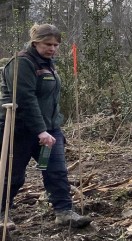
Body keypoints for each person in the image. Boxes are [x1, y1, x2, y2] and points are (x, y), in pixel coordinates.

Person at [0, 24, 92, 229]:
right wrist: (40, 130)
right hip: (19, 129)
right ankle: (2, 215)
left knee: (57, 172)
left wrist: (53, 125)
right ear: (35, 42)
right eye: (47, 44)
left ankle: (64, 212)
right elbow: (26, 99)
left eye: (56, 45)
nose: (52, 48)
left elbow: (49, 99)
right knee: (12, 175)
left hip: (50, 128)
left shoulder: (49, 63)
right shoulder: (21, 63)